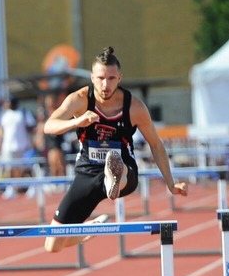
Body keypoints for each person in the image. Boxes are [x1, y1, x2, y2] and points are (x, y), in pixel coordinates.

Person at [41, 47, 187, 253]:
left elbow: (156, 144)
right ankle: (91, 228)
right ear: (92, 77)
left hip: (126, 171)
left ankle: (115, 175)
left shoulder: (134, 107)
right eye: (100, 78)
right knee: (52, 245)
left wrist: (171, 183)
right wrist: (78, 122)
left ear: (119, 78)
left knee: (119, 170)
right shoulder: (80, 100)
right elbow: (49, 126)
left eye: (111, 78)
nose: (105, 84)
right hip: (88, 173)